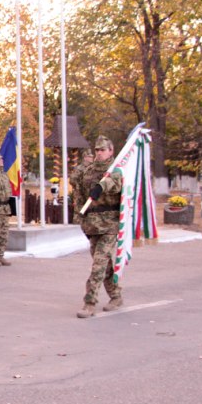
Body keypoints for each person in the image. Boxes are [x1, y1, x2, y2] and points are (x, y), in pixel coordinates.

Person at [75, 136, 123, 318]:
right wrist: (80, 218)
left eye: (103, 150)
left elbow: (114, 184)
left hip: (110, 223)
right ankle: (116, 295)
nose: (99, 153)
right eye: (97, 150)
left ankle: (89, 303)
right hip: (92, 224)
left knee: (98, 264)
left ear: (111, 151)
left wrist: (101, 187)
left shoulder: (116, 170)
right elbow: (79, 195)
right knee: (105, 265)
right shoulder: (88, 171)